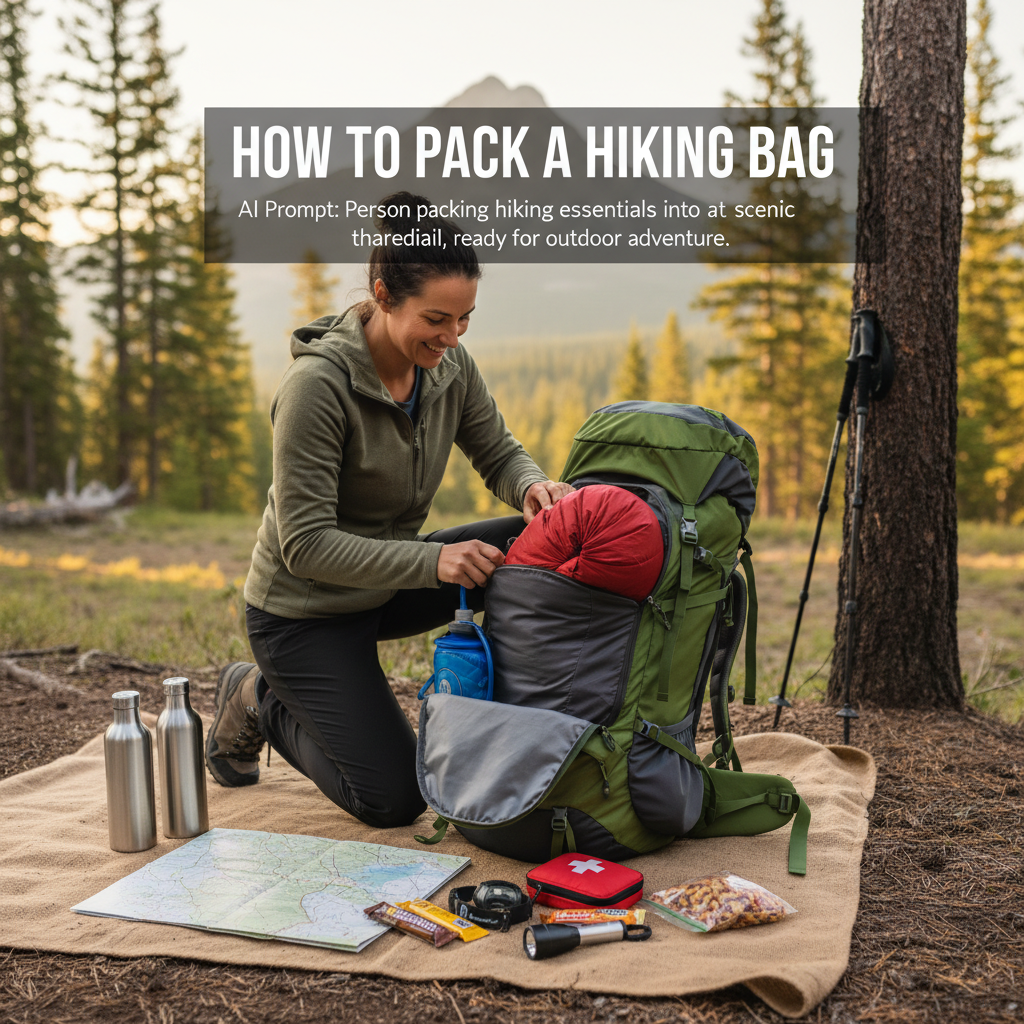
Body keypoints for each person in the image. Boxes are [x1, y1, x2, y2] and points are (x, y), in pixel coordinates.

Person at [205, 192, 571, 829]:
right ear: (382, 293)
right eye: (437, 319)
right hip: (302, 616)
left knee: (541, 539)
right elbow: (308, 545)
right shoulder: (316, 390)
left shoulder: (448, 366)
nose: (452, 337)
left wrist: (534, 488)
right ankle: (259, 695)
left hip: (382, 587)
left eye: (464, 320)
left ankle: (533, 722)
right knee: (394, 800)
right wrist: (435, 563)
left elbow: (497, 452)